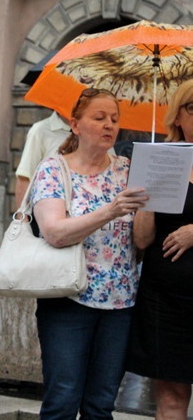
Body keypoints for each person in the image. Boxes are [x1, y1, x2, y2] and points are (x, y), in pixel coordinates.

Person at [30, 88, 147, 419]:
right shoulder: (54, 169)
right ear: (76, 124)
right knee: (62, 401)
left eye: (114, 118)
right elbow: (54, 231)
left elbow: (142, 241)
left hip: (121, 303)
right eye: (99, 117)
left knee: (101, 404)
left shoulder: (128, 171)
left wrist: (150, 202)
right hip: (68, 299)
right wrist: (109, 211)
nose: (109, 124)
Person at [127, 79, 193, 420]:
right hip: (163, 299)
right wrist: (146, 196)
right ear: (177, 118)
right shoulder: (163, 160)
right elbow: (141, 241)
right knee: (170, 397)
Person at [14, 110, 70, 208]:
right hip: (47, 211)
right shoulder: (40, 130)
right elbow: (25, 176)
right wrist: (22, 218)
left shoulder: (93, 131)